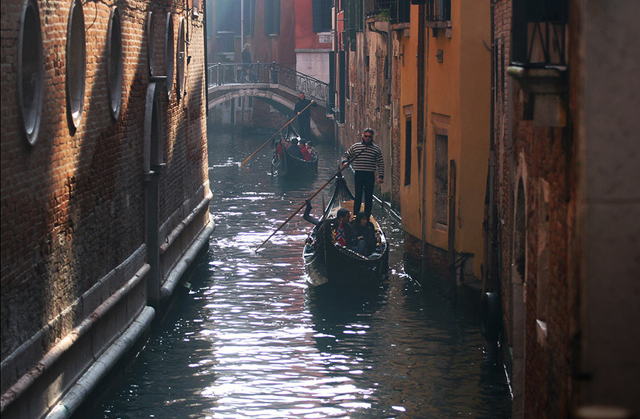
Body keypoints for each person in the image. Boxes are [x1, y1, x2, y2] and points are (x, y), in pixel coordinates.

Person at [341, 128, 385, 218]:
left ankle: (367, 217)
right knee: (358, 196)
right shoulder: (356, 147)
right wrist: (344, 162)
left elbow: (380, 163)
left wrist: (381, 176)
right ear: (362, 136)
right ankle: (356, 216)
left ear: (372, 137)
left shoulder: (376, 150)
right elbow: (346, 155)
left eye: (369, 136)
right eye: (366, 136)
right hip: (359, 174)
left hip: (370, 175)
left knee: (368, 197)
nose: (367, 138)